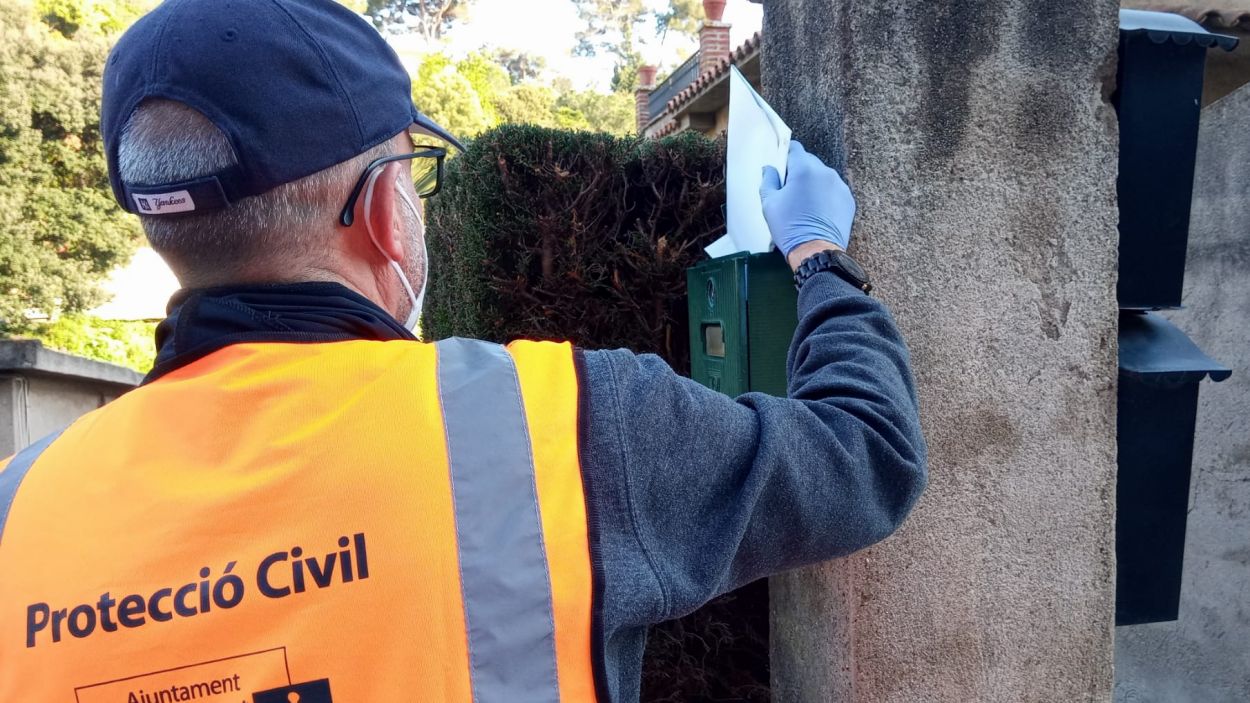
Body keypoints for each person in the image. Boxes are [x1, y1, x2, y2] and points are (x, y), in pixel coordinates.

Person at [0, 1, 926, 701]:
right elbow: (864, 454)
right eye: (413, 171)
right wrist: (816, 253)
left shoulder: (19, 511)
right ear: (378, 214)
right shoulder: (558, 426)